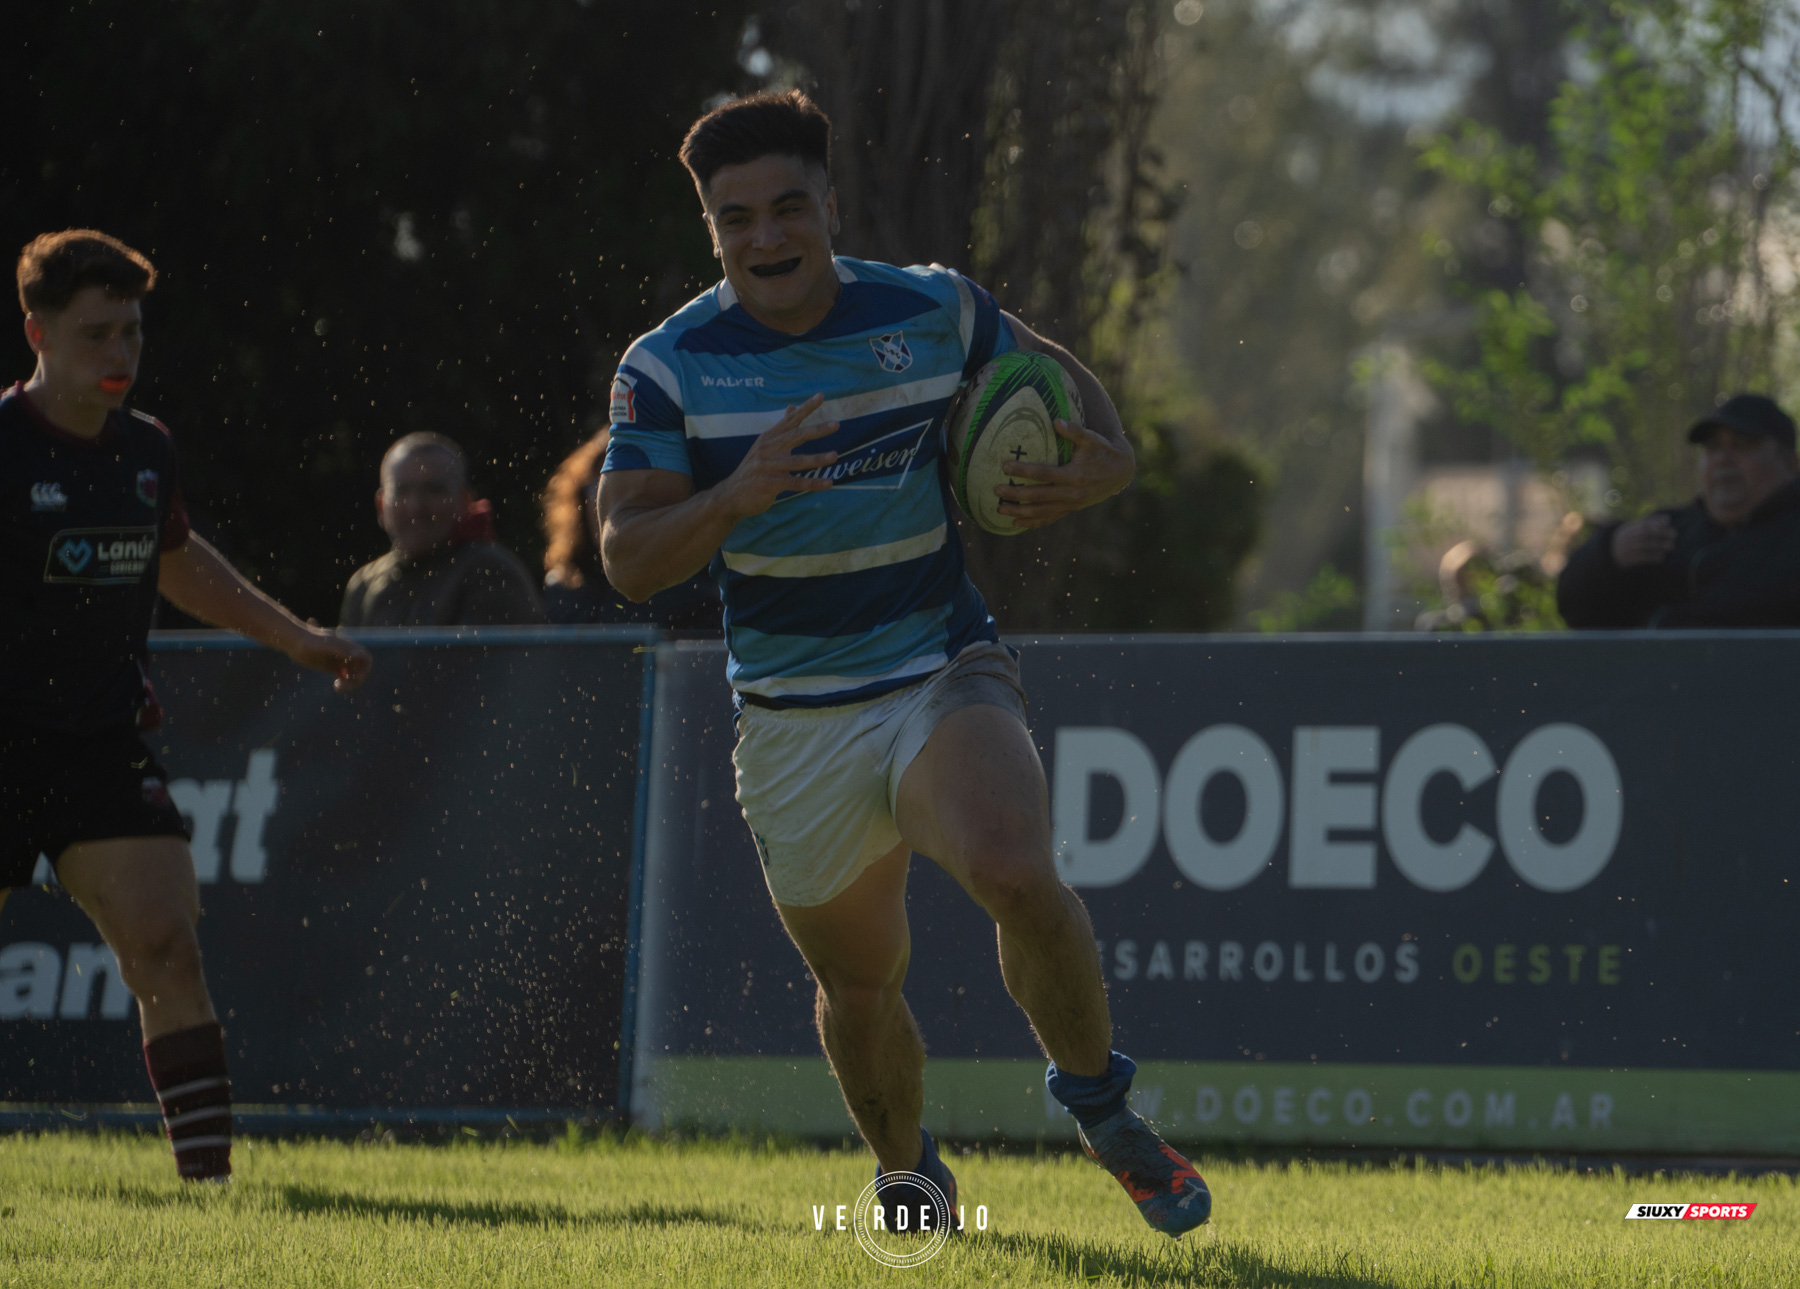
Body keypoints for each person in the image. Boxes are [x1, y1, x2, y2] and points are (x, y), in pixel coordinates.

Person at [597, 92, 1211, 1237]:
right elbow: (627, 557)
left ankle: (1103, 1106)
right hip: (793, 717)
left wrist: (1112, 455)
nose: (767, 236)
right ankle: (910, 1169)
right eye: (737, 219)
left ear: (832, 206)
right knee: (861, 986)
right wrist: (735, 495)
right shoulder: (668, 367)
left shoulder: (931, 308)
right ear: (711, 229)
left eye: (789, 207)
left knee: (1012, 863)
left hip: (939, 664)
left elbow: (1050, 369)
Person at [2, 229, 372, 1181]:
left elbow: (176, 559)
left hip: (99, 744)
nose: (120, 352)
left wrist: (296, 637)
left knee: (166, 948)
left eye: (131, 331)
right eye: (96, 334)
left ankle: (208, 1191)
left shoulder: (146, 449)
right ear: (37, 333)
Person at [1557, 394, 1800, 628]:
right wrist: (1608, 556)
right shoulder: (1667, 534)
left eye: (1741, 445)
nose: (1723, 459)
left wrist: (1671, 622)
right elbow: (1577, 610)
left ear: (1791, 464)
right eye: (1713, 447)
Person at [338, 432, 545, 627]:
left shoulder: (491, 573)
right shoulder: (364, 585)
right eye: (401, 491)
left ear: (464, 501)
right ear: (381, 505)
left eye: (434, 490)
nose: (416, 507)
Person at [541, 430, 719, 627]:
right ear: (580, 500)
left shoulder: (696, 597)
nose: (611, 504)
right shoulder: (563, 591)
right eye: (599, 486)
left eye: (629, 490)